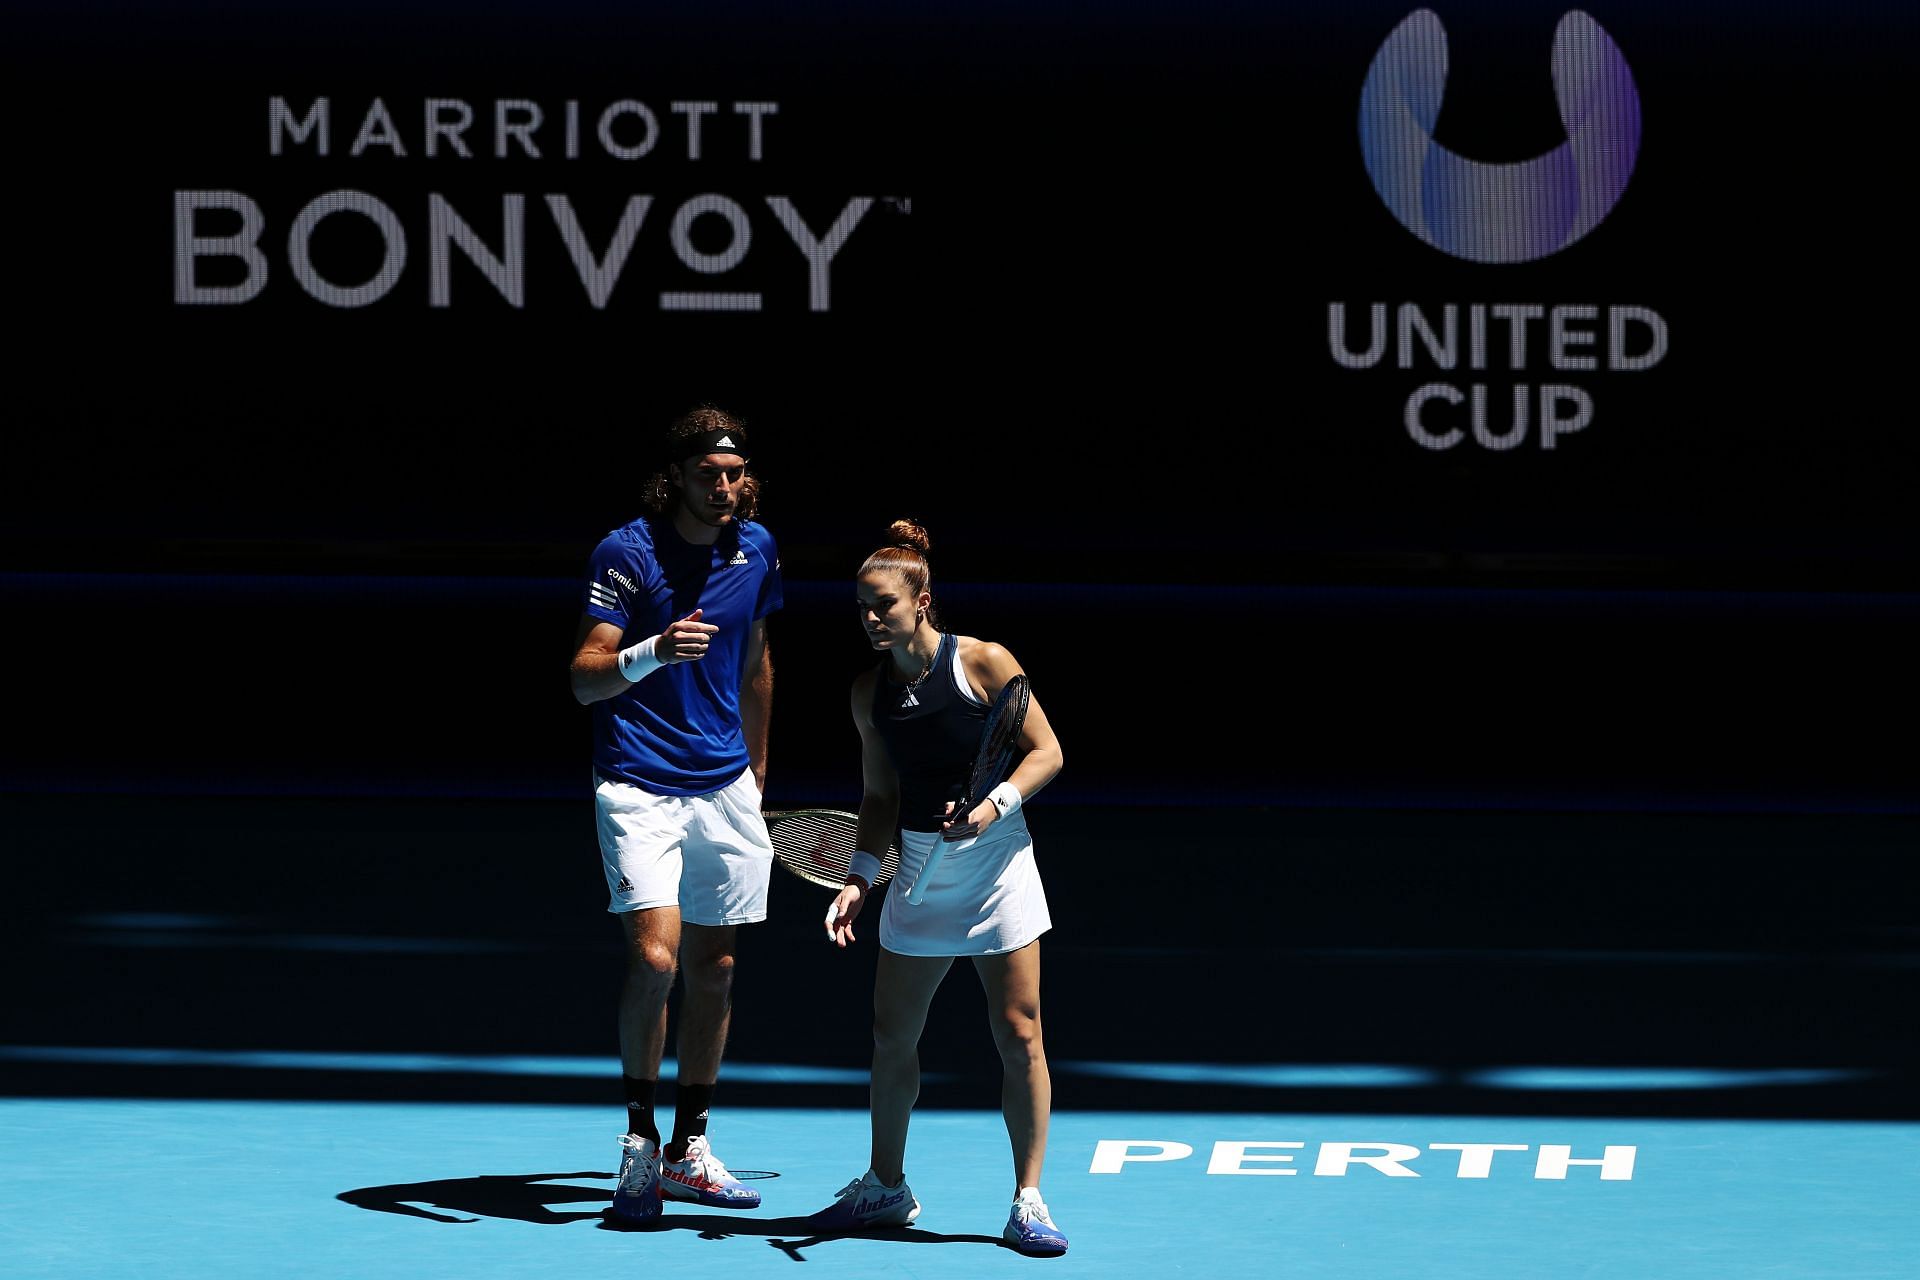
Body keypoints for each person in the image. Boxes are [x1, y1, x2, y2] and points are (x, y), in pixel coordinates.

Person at [811, 519, 1070, 1256]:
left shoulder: (985, 663)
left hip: (997, 870)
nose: (869, 618)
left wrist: (992, 808)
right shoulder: (869, 693)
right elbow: (880, 798)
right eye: (860, 606)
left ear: (922, 599)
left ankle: (1027, 1200)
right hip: (919, 876)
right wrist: (859, 881)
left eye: (883, 605)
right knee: (893, 1039)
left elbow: (1046, 752)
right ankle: (885, 1187)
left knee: (1019, 1035)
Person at [568, 404, 782, 1223]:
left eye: (734, 474)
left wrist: (756, 771)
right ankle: (637, 1148)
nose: (724, 487)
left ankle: (691, 1150)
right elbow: (585, 678)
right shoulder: (627, 552)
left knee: (716, 969)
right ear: (678, 478)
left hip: (724, 783)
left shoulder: (756, 549)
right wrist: (654, 649)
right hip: (638, 783)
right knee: (657, 961)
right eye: (708, 475)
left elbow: (759, 662)